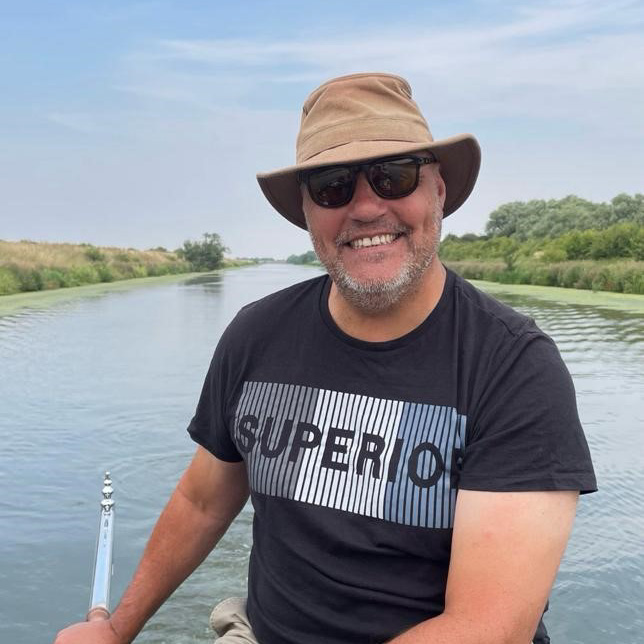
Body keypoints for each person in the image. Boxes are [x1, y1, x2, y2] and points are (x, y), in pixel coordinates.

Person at [55, 72, 596, 644]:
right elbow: (202, 500)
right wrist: (116, 629)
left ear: (438, 190)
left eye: (394, 176)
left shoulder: (513, 366)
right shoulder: (256, 334)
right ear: (307, 213)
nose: (365, 208)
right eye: (332, 186)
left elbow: (490, 627)